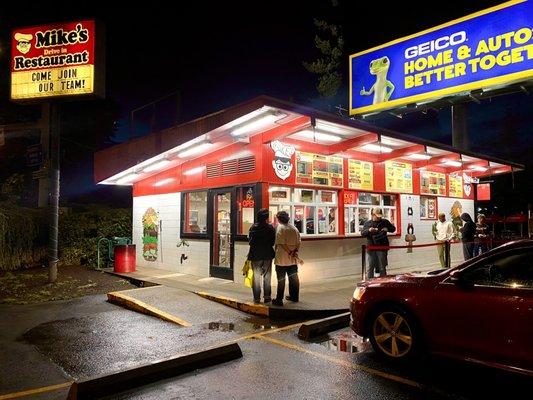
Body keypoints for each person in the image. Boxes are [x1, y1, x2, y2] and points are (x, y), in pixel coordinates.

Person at [273, 210, 301, 306]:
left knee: (281, 279)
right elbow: (299, 242)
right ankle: (294, 296)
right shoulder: (294, 228)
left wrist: (289, 251)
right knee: (294, 278)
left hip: (281, 258)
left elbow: (280, 243)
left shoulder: (280, 228)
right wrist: (294, 252)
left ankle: (279, 299)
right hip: (292, 259)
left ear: (279, 219)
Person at [247, 208, 276, 304]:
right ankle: (267, 297)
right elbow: (272, 242)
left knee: (256, 277)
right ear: (266, 218)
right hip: (267, 254)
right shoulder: (270, 228)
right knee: (267, 276)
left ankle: (256, 298)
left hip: (255, 255)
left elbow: (250, 242)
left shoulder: (253, 228)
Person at [361, 207, 396, 279]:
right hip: (371, 247)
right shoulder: (368, 223)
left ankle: (383, 281)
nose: (379, 218)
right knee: (370, 266)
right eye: (377, 216)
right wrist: (369, 230)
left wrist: (387, 229)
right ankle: (369, 283)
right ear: (373, 215)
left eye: (380, 216)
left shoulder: (385, 222)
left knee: (382, 266)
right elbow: (363, 233)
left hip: (382, 247)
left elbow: (393, 229)